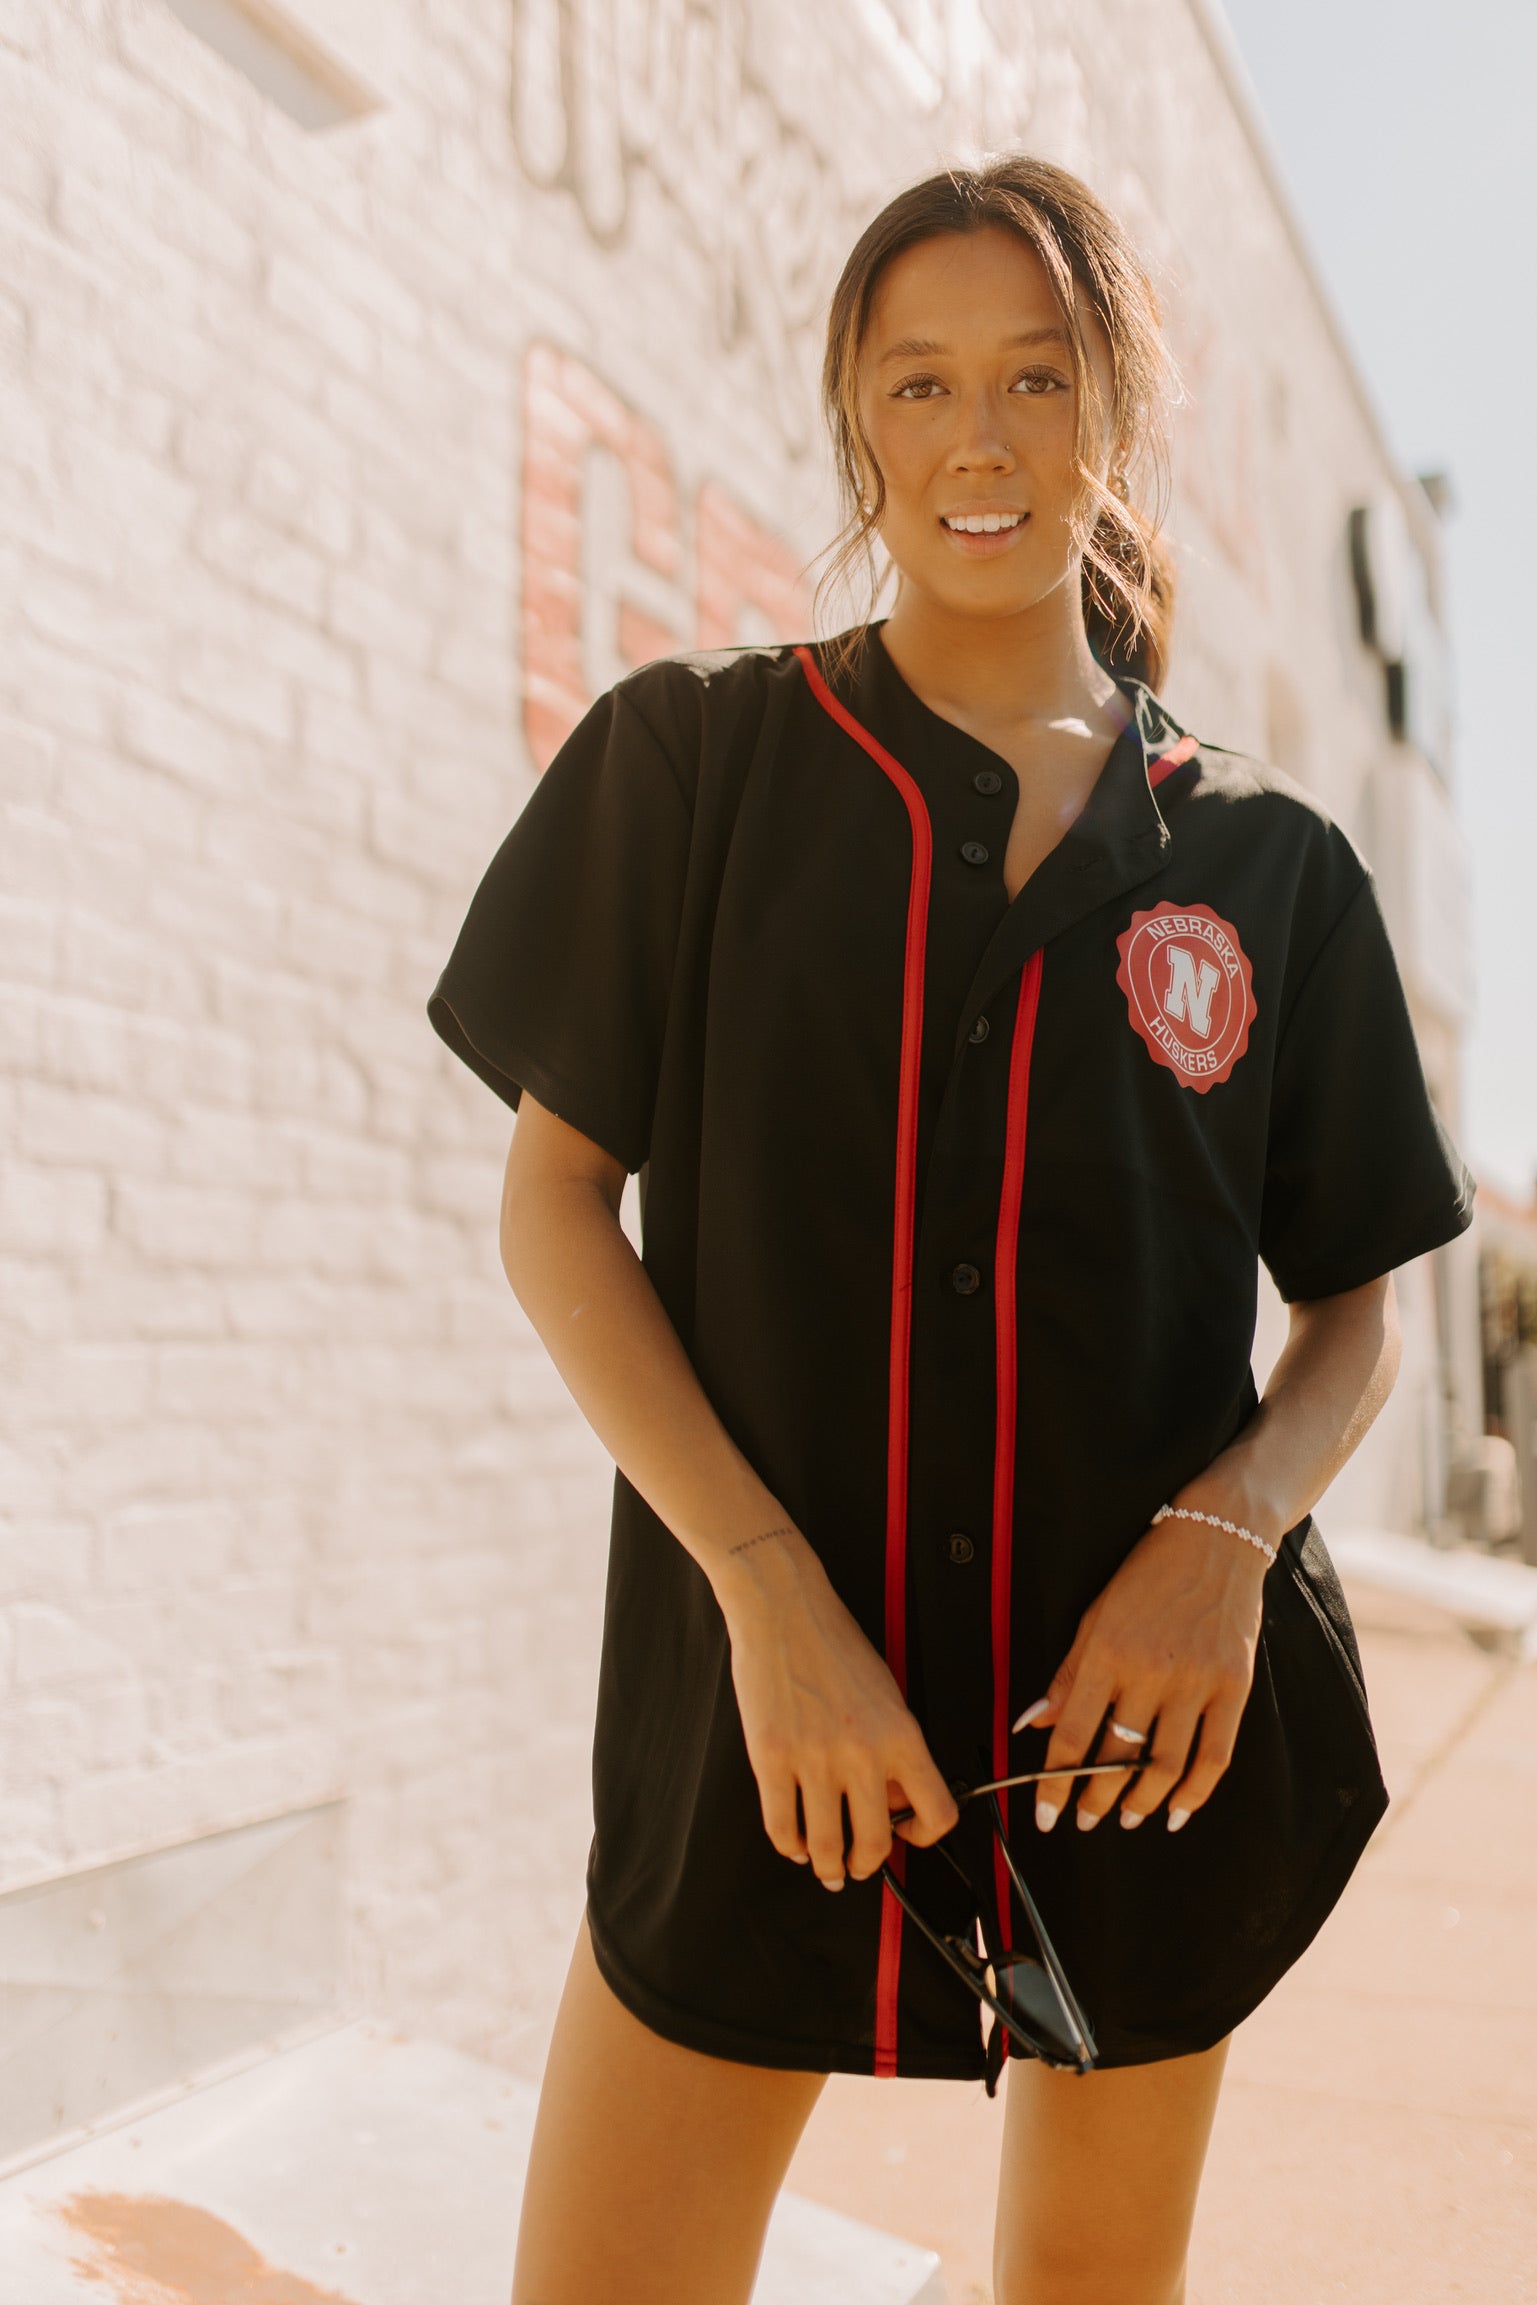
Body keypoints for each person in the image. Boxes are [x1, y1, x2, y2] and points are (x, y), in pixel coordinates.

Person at [427, 157, 1474, 2305]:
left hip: (1137, 1750)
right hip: (766, 1725)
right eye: (916, 386)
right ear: (855, 420)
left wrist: (1223, 1547)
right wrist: (768, 1596)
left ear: (1116, 408)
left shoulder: (1270, 866)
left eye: (1031, 378)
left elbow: (1356, 1302)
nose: (974, 442)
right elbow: (554, 1208)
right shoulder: (694, 767)